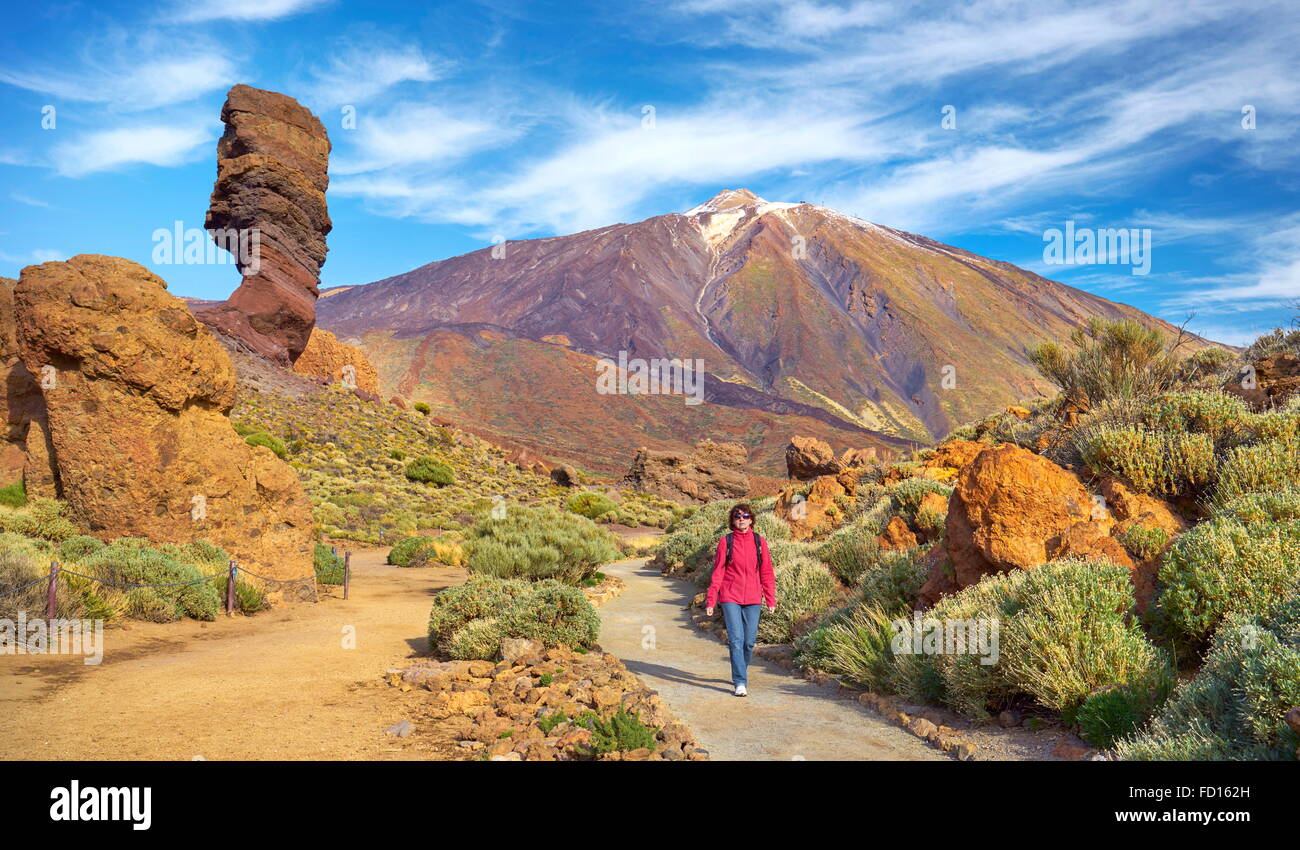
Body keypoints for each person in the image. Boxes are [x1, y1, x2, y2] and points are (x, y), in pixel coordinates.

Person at [705, 503, 776, 696]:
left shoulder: (759, 542)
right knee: (736, 640)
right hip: (730, 597)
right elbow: (718, 571)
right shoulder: (725, 542)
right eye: (737, 516)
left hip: (753, 597)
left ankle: (740, 671)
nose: (741, 519)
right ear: (733, 520)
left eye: (745, 516)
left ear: (751, 519)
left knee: (749, 642)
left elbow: (766, 572)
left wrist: (770, 598)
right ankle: (740, 681)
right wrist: (711, 599)